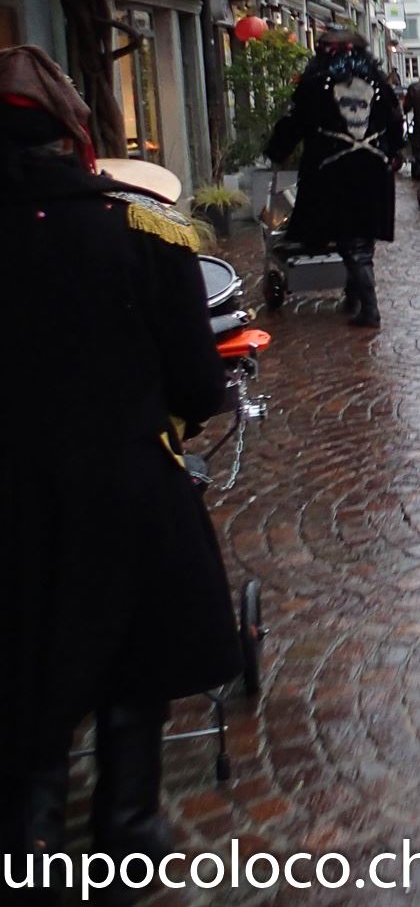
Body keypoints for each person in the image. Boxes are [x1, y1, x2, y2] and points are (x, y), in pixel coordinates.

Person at [0, 46, 241, 879]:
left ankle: (29, 841)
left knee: (25, 655)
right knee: (134, 660)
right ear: (72, 134)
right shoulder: (140, 231)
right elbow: (199, 384)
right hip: (124, 485)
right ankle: (128, 830)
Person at [265, 29, 404, 327]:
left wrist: (277, 150)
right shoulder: (379, 83)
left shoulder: (315, 85)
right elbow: (396, 122)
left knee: (350, 239)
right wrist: (394, 151)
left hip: (334, 172)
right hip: (374, 169)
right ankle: (354, 297)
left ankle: (369, 308)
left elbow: (295, 122)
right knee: (361, 238)